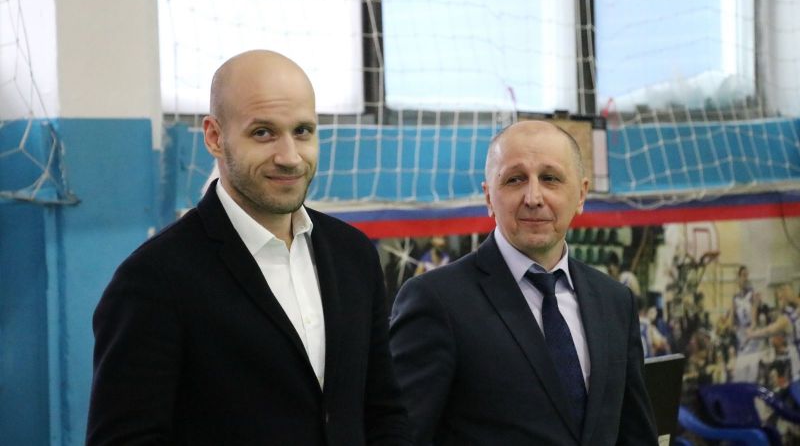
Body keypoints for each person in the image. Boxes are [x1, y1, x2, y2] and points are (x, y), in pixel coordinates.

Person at [87, 50, 411, 445]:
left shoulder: (353, 254)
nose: (290, 157)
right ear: (214, 137)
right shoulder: (153, 279)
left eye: (303, 131)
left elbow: (383, 411)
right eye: (263, 133)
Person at [389, 120, 657, 445]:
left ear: (581, 194)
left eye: (550, 178)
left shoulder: (615, 301)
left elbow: (635, 434)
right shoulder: (436, 301)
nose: (533, 197)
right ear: (489, 197)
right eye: (515, 179)